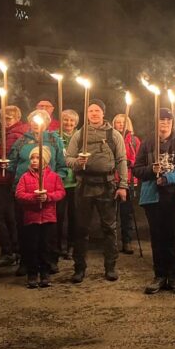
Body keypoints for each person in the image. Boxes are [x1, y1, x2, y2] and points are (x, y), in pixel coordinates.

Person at [65, 99, 128, 283]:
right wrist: (78, 162)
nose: (94, 113)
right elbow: (68, 158)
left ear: (103, 113)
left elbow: (121, 160)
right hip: (84, 185)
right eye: (91, 110)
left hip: (107, 185)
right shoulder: (80, 134)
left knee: (109, 228)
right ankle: (79, 268)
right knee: (81, 228)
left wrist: (123, 185)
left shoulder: (114, 134)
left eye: (97, 110)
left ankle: (110, 267)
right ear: (87, 114)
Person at [134, 108, 175, 294]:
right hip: (153, 197)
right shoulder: (148, 143)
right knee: (157, 236)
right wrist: (151, 170)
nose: (165, 123)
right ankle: (159, 276)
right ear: (157, 122)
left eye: (168, 120)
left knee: (174, 236)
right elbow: (136, 169)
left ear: (172, 122)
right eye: (162, 120)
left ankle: (174, 277)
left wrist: (169, 178)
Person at [7, 109, 67, 275]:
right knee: (25, 228)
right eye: (33, 120)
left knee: (49, 229)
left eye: (39, 120)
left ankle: (49, 260)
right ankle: (26, 261)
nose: (35, 123)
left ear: (47, 123)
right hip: (26, 190)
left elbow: (62, 165)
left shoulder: (54, 140)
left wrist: (54, 181)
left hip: (47, 192)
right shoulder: (22, 141)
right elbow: (12, 163)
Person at [14, 146, 65, 288]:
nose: (34, 160)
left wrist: (48, 197)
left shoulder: (54, 177)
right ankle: (32, 274)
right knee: (32, 247)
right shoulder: (25, 177)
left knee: (46, 247)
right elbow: (19, 194)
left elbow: (61, 192)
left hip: (48, 218)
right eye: (32, 158)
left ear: (46, 161)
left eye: (38, 158)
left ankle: (45, 273)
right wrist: (33, 198)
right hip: (32, 218)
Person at [0, 104, 27, 268]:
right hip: (8, 180)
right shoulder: (12, 133)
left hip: (5, 180)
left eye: (9, 118)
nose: (5, 121)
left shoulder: (13, 136)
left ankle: (8, 251)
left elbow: (9, 160)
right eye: (2, 118)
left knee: (0, 216)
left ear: (17, 118)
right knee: (9, 216)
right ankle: (15, 251)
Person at [112, 113, 141, 255]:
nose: (120, 125)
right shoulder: (110, 139)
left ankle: (127, 241)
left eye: (123, 122)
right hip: (112, 179)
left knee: (126, 213)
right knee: (111, 213)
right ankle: (112, 242)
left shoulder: (134, 141)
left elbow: (140, 158)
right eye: (118, 122)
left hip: (128, 179)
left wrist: (130, 163)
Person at [57, 109, 79, 259]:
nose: (68, 123)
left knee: (74, 216)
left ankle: (72, 245)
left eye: (72, 121)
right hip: (60, 183)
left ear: (76, 123)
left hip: (75, 183)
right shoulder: (55, 136)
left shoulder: (80, 136)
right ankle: (57, 246)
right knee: (58, 216)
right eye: (65, 120)